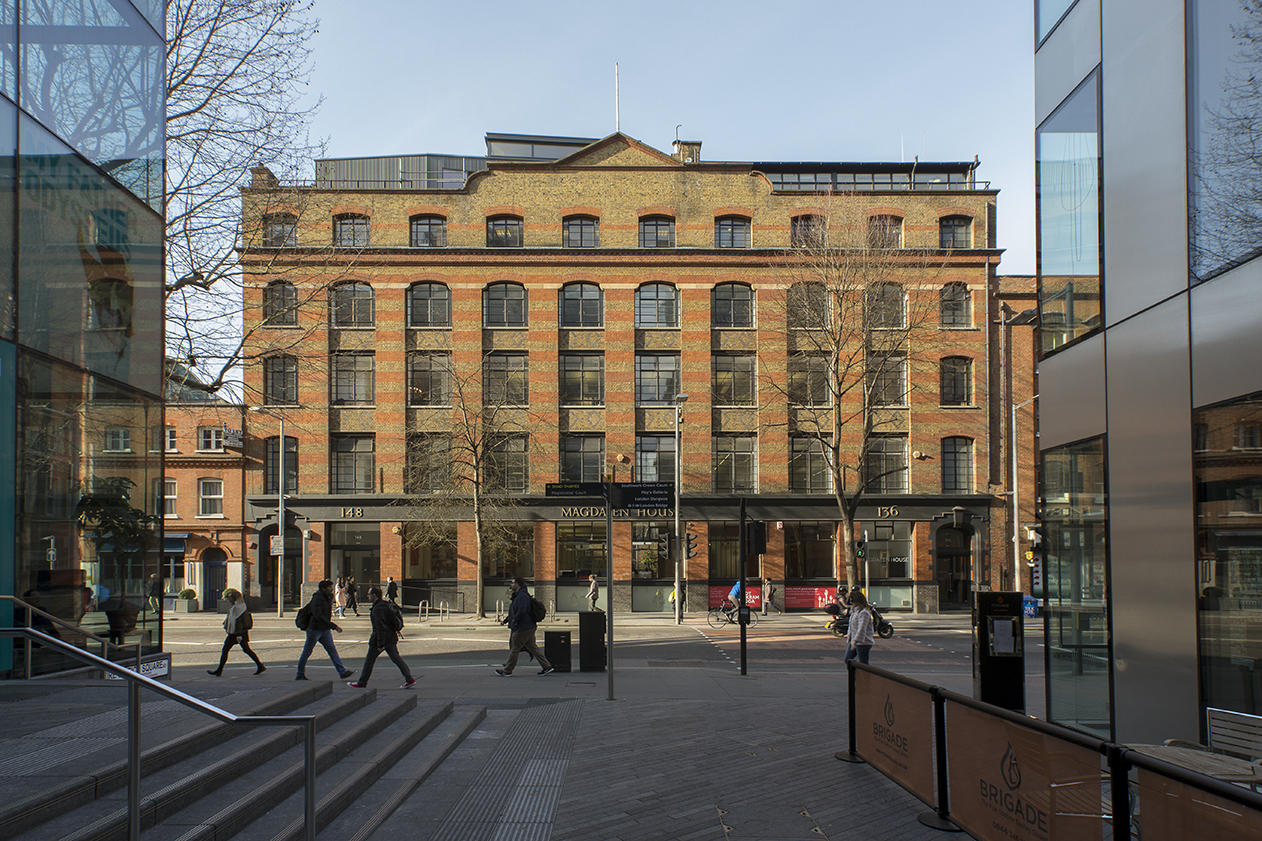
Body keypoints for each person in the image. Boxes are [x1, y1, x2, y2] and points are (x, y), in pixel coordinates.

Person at [347, 586, 415, 689]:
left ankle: (362, 682)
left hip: (380, 638)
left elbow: (380, 627)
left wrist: (380, 643)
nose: (367, 596)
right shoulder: (385, 605)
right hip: (391, 637)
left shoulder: (378, 608)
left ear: (374, 595)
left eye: (369, 594)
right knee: (396, 658)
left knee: (370, 659)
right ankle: (409, 679)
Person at [295, 579, 355, 681]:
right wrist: (333, 626)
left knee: (332, 650)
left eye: (331, 587)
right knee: (307, 651)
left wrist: (329, 625)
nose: (331, 589)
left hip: (324, 629)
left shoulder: (327, 597)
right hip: (315, 628)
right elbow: (318, 615)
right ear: (323, 589)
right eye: (329, 587)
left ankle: (342, 672)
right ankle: (300, 674)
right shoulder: (317, 598)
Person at [495, 577, 554, 677]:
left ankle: (507, 670)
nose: (511, 584)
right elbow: (514, 611)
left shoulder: (522, 596)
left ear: (517, 585)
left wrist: (514, 620)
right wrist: (505, 621)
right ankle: (547, 666)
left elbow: (521, 611)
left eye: (513, 583)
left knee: (515, 648)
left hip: (522, 627)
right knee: (533, 647)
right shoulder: (520, 595)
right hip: (528, 626)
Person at [207, 589, 264, 676]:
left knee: (240, 650)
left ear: (235, 598)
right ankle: (260, 666)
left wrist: (239, 635)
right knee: (240, 650)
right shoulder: (236, 606)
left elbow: (240, 622)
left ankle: (260, 666)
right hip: (235, 633)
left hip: (238, 633)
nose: (229, 599)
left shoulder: (239, 608)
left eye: (230, 598)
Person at [844, 588, 876, 665]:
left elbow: (861, 628)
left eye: (852, 601)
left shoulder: (864, 613)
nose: (851, 603)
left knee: (863, 663)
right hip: (855, 641)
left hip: (863, 642)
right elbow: (852, 627)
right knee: (847, 659)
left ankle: (863, 676)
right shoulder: (855, 612)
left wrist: (855, 642)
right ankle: (856, 675)